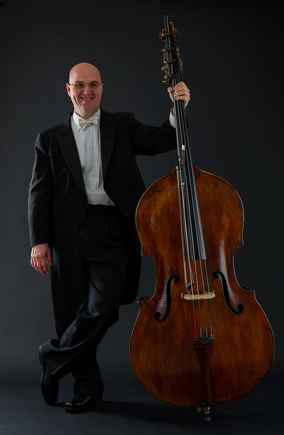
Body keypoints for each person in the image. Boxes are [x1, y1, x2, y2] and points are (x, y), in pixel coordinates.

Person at [28, 62, 190, 413]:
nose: (87, 91)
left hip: (112, 228)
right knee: (73, 311)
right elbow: (39, 194)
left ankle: (53, 357)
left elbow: (162, 138)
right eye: (80, 85)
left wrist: (178, 109)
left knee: (103, 306)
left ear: (102, 88)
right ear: (68, 89)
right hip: (66, 235)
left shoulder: (123, 125)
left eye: (94, 85)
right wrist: (38, 241)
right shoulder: (48, 138)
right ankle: (88, 388)